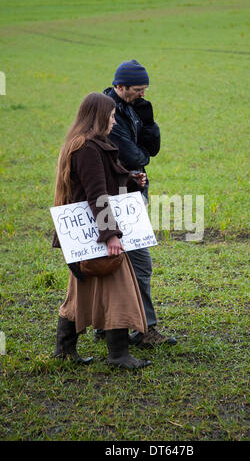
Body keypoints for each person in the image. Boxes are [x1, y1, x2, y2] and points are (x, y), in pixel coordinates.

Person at [52, 92, 152, 369]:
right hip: (95, 233)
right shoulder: (87, 149)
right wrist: (110, 237)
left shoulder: (88, 144)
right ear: (98, 118)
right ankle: (118, 355)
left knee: (79, 291)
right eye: (110, 116)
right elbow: (97, 195)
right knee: (119, 291)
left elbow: (101, 184)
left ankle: (64, 350)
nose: (112, 121)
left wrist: (130, 181)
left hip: (85, 237)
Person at [94, 59, 177, 348]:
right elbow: (134, 157)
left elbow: (150, 149)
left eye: (145, 89)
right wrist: (141, 155)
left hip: (130, 191)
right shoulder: (106, 111)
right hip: (115, 199)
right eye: (137, 90)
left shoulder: (133, 107)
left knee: (120, 263)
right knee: (136, 263)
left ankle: (109, 326)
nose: (142, 94)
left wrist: (149, 121)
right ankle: (144, 329)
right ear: (119, 86)